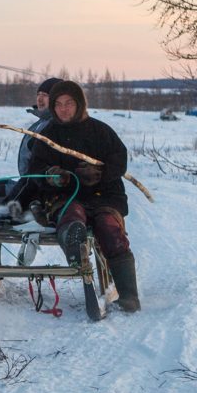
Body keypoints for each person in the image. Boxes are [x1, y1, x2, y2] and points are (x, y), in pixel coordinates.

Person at [25, 79, 140, 312]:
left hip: (104, 196)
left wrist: (100, 174)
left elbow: (120, 160)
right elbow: (34, 170)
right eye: (58, 104)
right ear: (53, 107)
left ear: (79, 104)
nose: (64, 109)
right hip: (65, 197)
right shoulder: (48, 135)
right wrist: (52, 176)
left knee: (109, 228)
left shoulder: (101, 131)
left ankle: (129, 295)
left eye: (69, 103)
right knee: (72, 216)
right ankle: (74, 246)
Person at [0, 77, 62, 270]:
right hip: (29, 184)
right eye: (39, 95)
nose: (40, 99)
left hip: (36, 192)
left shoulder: (52, 125)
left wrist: (16, 195)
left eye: (46, 96)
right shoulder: (44, 121)